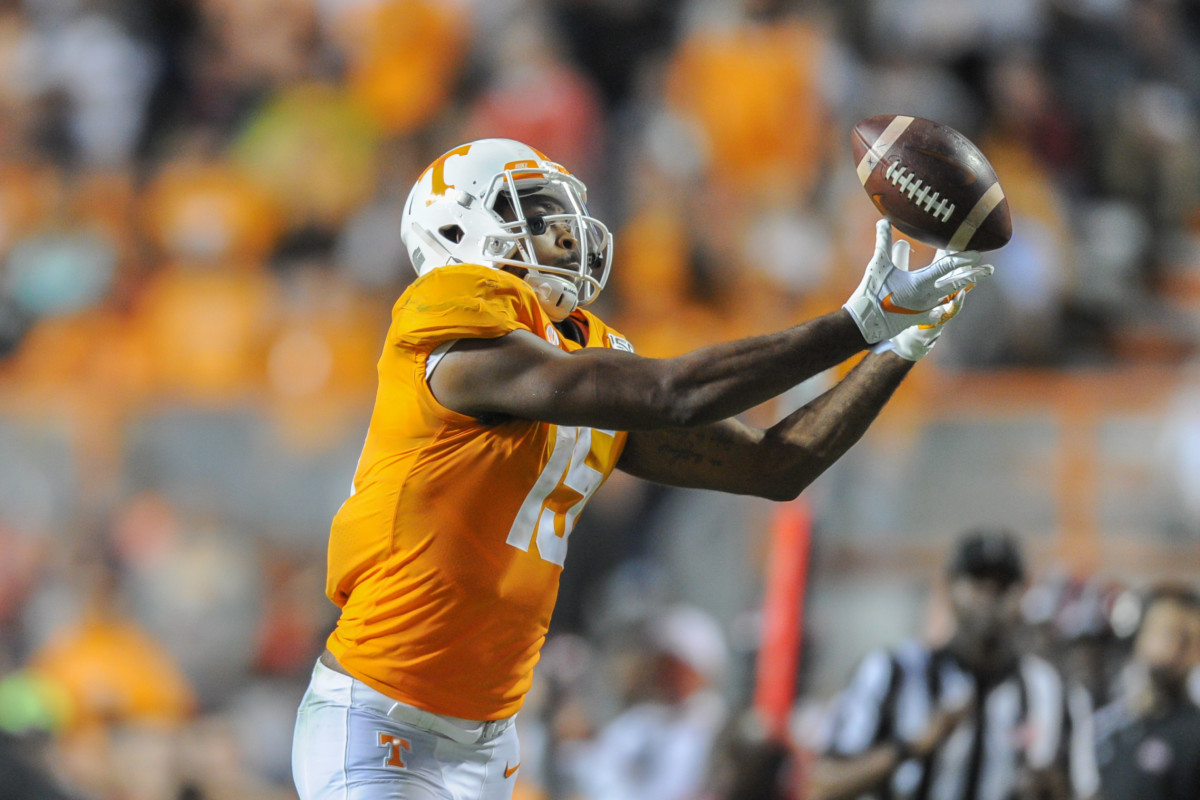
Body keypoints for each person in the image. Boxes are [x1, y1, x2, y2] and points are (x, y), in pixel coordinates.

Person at [290, 138, 992, 800]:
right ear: (454, 236)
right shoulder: (449, 330)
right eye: (532, 214)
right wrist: (855, 322)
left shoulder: (575, 351)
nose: (564, 231)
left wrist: (899, 344)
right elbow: (670, 393)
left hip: (488, 742)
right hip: (379, 720)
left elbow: (779, 464)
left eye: (559, 212)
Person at [810, 528, 1100, 800]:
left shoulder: (1055, 692)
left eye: (1003, 584)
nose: (990, 596)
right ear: (948, 588)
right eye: (978, 582)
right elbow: (821, 785)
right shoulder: (893, 672)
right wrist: (910, 748)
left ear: (1023, 592)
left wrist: (1055, 789)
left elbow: (1085, 790)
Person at [1094, 584, 1200, 800]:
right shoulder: (1119, 723)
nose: (1151, 645)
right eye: (1150, 631)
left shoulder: (1191, 731)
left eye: (1167, 634)